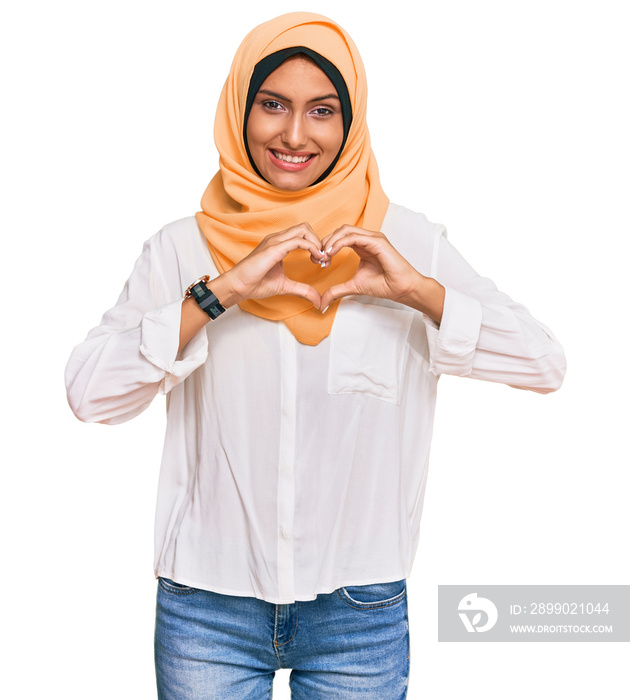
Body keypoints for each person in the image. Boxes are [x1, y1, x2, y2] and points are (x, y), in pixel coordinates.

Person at [65, 12, 566, 700]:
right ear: (239, 108)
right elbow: (90, 394)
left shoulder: (405, 243)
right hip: (207, 605)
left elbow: (544, 364)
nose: (294, 135)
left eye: (321, 111)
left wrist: (419, 292)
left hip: (359, 611)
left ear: (350, 122)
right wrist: (223, 292)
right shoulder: (183, 251)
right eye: (272, 104)